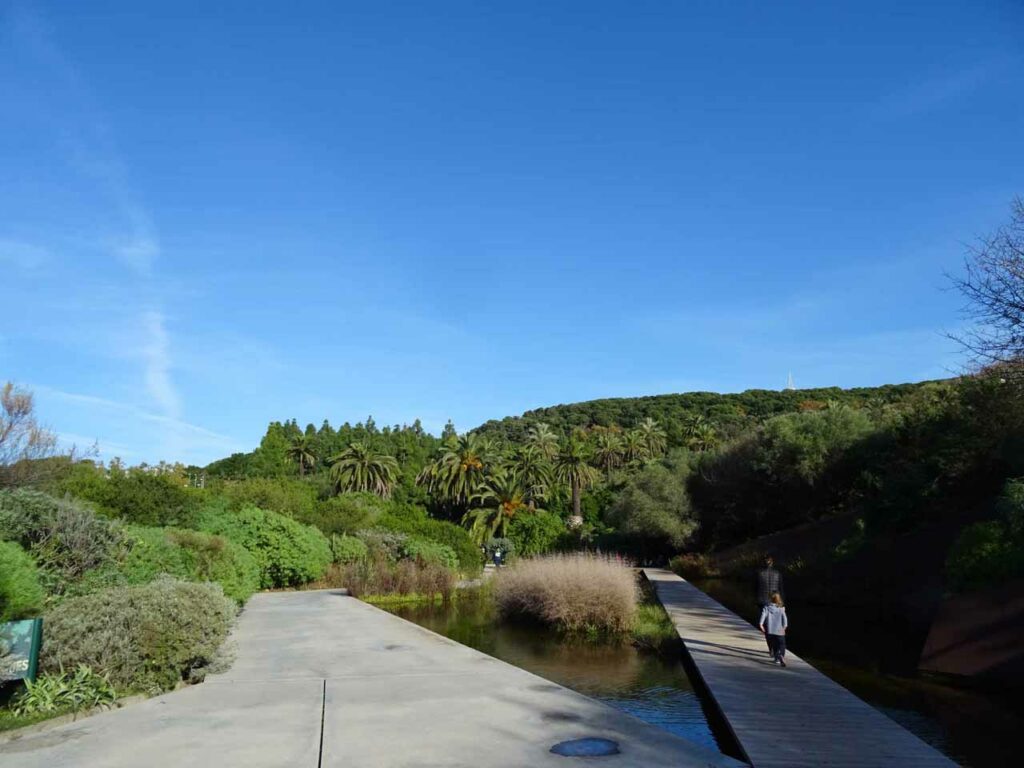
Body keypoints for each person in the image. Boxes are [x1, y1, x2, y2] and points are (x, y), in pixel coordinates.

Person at [755, 555, 784, 655]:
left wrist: (755, 600)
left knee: (767, 626)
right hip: (776, 600)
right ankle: (777, 647)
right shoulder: (778, 573)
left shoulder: (759, 573)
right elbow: (781, 589)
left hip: (762, 601)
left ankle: (771, 647)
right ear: (772, 562)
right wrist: (782, 603)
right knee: (777, 625)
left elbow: (755, 588)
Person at [759, 592, 788, 667]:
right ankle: (781, 655)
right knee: (782, 644)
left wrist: (761, 624)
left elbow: (763, 615)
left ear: (770, 599)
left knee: (774, 645)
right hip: (780, 630)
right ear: (778, 599)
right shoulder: (781, 608)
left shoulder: (767, 607)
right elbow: (785, 620)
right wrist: (784, 627)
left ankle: (777, 659)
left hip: (770, 630)